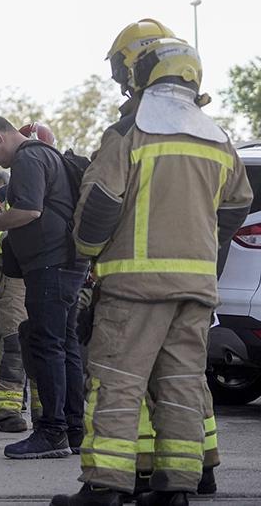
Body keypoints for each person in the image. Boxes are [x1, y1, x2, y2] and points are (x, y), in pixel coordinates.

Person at [52, 29, 251, 506]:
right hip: (195, 287)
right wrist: (206, 248)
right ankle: (177, 488)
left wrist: (87, 249)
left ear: (141, 74)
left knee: (116, 384)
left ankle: (105, 486)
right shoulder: (218, 139)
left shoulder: (128, 133)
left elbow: (100, 203)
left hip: (134, 286)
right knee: (182, 384)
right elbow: (238, 203)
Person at [0, 115, 85, 460]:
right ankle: (75, 429)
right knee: (65, 346)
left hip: (50, 265)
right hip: (65, 263)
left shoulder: (29, 158)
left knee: (47, 346)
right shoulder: (45, 156)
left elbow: (29, 211)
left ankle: (52, 432)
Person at [0, 181, 31, 434]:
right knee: (14, 344)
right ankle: (7, 410)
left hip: (50, 275)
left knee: (46, 345)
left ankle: (49, 412)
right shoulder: (2, 197)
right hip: (14, 279)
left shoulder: (58, 188)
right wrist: (25, 238)